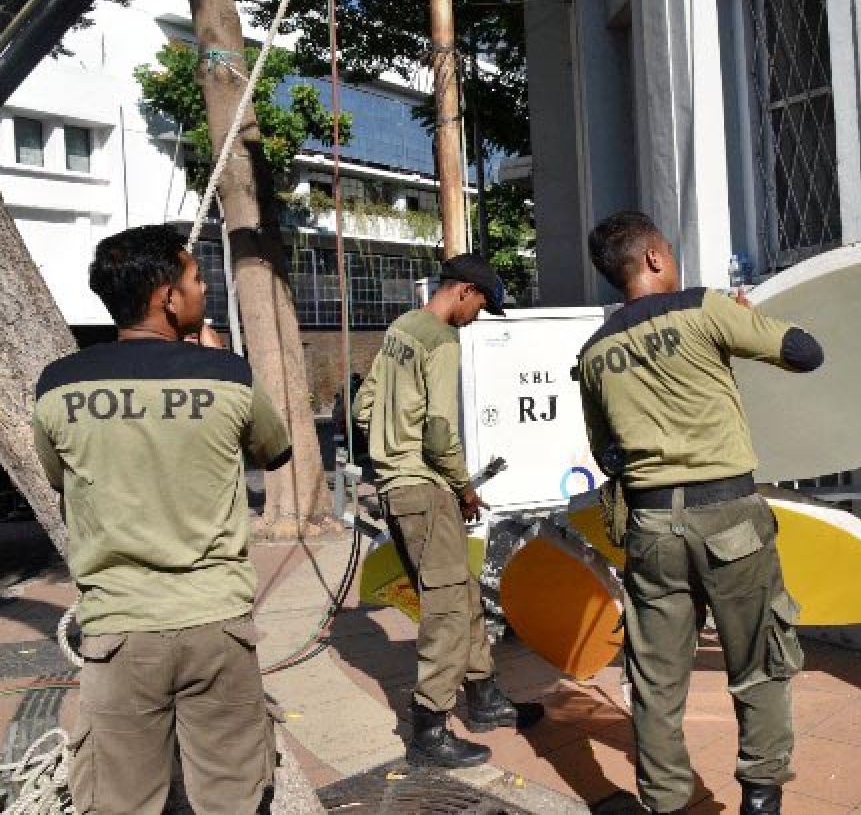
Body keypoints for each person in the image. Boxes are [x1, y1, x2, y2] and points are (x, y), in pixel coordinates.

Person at [32, 225, 292, 814]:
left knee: (121, 801)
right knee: (233, 797)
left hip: (119, 633)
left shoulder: (58, 385)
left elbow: (59, 478)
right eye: (196, 279)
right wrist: (217, 362)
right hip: (216, 626)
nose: (204, 289)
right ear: (168, 298)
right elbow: (274, 451)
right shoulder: (227, 376)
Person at [576, 212, 824, 815]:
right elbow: (806, 353)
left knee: (656, 680)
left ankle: (664, 802)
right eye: (669, 248)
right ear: (654, 258)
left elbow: (606, 453)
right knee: (758, 662)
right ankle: (760, 799)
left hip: (652, 528)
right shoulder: (706, 308)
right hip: (730, 518)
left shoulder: (594, 352)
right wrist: (744, 320)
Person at [353, 253, 542, 768]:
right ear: (463, 291)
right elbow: (438, 430)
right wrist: (463, 487)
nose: (477, 317)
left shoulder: (401, 328)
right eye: (480, 306)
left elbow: (363, 407)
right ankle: (429, 730)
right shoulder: (441, 340)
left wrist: (388, 452)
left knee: (463, 593)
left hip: (400, 486)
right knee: (446, 611)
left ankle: (485, 698)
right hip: (425, 490)